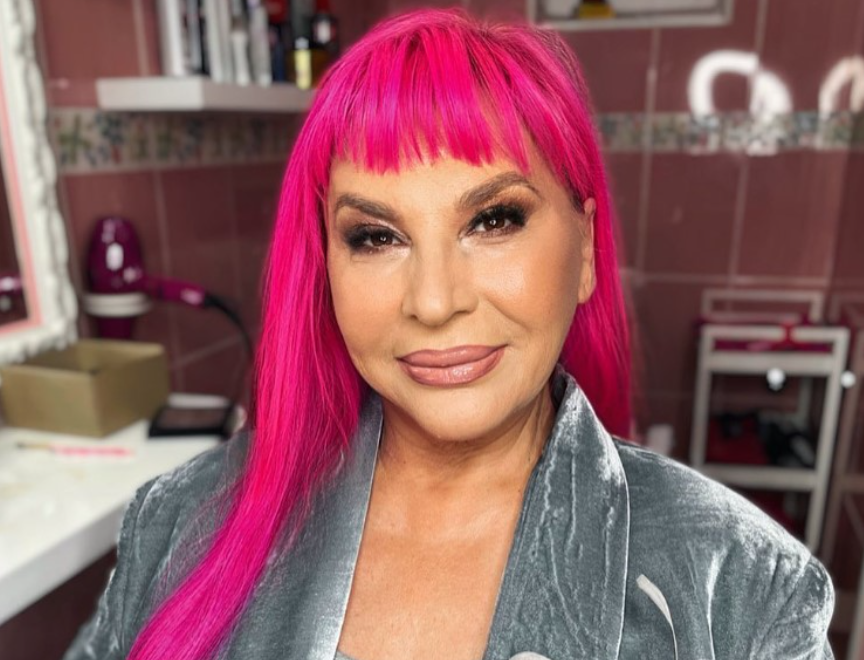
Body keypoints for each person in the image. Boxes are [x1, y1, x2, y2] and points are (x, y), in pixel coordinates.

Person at [63, 8, 834, 660]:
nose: (433, 303)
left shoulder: (745, 590)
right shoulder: (180, 521)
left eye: (493, 220)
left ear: (585, 251)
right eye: (376, 236)